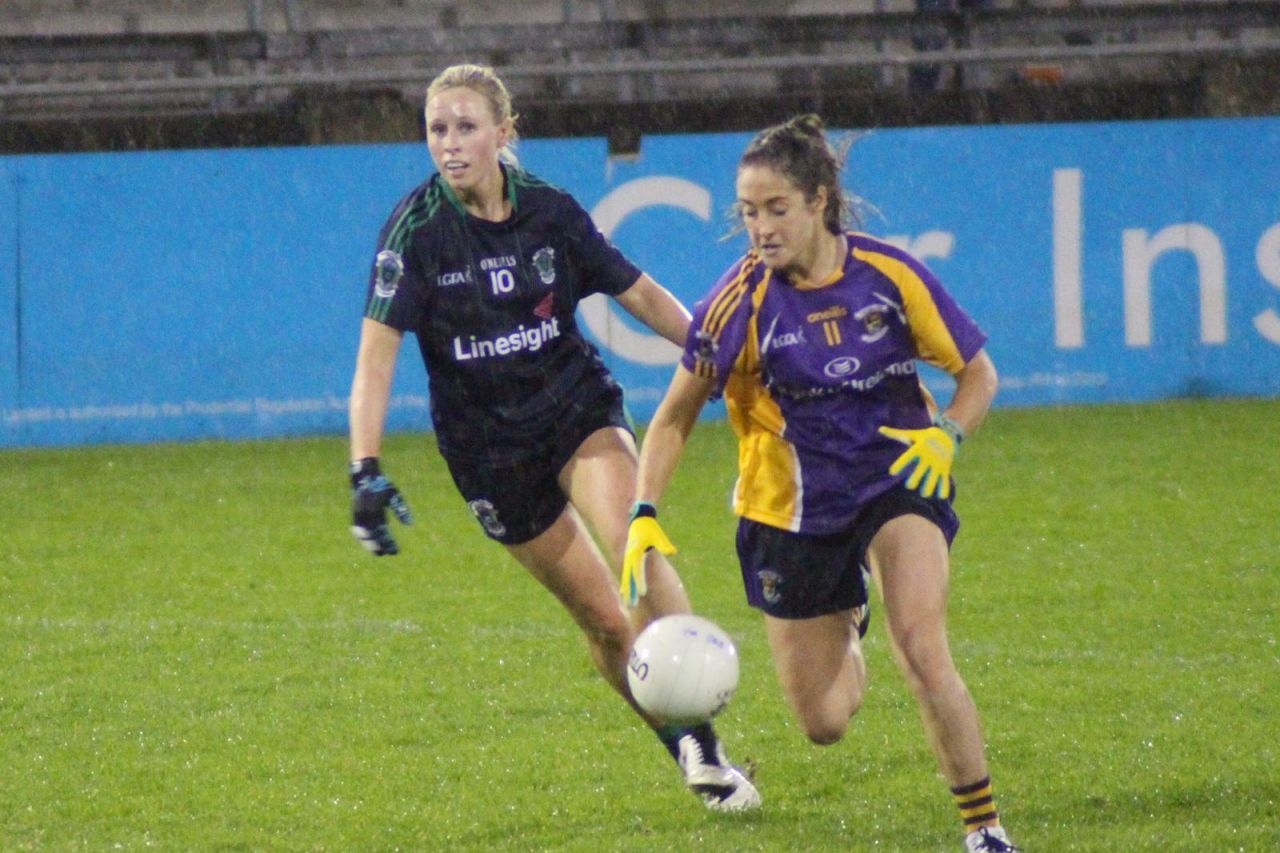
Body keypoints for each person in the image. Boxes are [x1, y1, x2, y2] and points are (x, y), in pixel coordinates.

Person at [345, 63, 759, 812]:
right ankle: (679, 741)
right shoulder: (416, 233)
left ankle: (701, 730)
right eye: (437, 129)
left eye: (466, 126)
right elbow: (376, 361)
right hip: (488, 454)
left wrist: (723, 360)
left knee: (635, 542)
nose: (450, 144)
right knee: (603, 622)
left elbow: (639, 294)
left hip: (575, 412)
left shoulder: (551, 213)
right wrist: (364, 468)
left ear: (505, 134)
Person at [622, 114, 1019, 852]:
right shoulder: (738, 303)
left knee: (925, 650)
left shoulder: (888, 275)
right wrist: (644, 509)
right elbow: (674, 417)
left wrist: (948, 434)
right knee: (824, 721)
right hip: (789, 513)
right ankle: (849, 609)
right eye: (748, 212)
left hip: (895, 480)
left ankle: (985, 829)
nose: (761, 228)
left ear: (819, 201)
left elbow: (978, 372)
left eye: (776, 209)